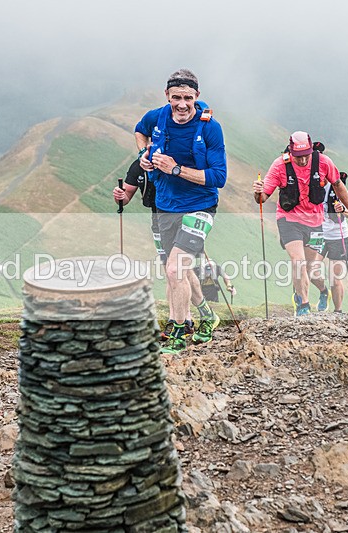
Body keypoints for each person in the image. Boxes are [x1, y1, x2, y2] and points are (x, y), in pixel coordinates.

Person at [135, 69, 227, 353]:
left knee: (176, 268)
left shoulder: (210, 127)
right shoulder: (157, 117)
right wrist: (143, 156)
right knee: (177, 272)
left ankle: (177, 333)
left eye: (188, 97)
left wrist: (175, 169)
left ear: (197, 97)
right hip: (165, 205)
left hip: (200, 206)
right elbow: (139, 130)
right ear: (167, 96)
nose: (182, 104)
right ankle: (207, 317)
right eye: (177, 97)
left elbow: (218, 177)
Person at [252, 131, 348, 316]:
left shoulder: (324, 162)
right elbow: (262, 198)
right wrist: (257, 191)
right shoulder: (280, 165)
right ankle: (304, 305)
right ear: (291, 152)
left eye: (306, 156)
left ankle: (316, 292)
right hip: (289, 219)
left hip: (315, 221)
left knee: (311, 268)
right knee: (298, 261)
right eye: (298, 157)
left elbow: (338, 185)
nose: (302, 161)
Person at [112, 159, 194, 339]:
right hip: (157, 220)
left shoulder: (173, 159)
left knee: (177, 269)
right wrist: (120, 196)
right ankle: (180, 320)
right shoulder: (138, 166)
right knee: (170, 270)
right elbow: (126, 197)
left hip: (181, 217)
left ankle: (183, 320)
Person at [320, 171, 348, 312]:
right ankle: (323, 291)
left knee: (335, 278)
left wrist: (342, 211)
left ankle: (338, 312)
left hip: (337, 236)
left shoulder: (337, 186)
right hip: (318, 234)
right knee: (308, 269)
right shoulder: (309, 185)